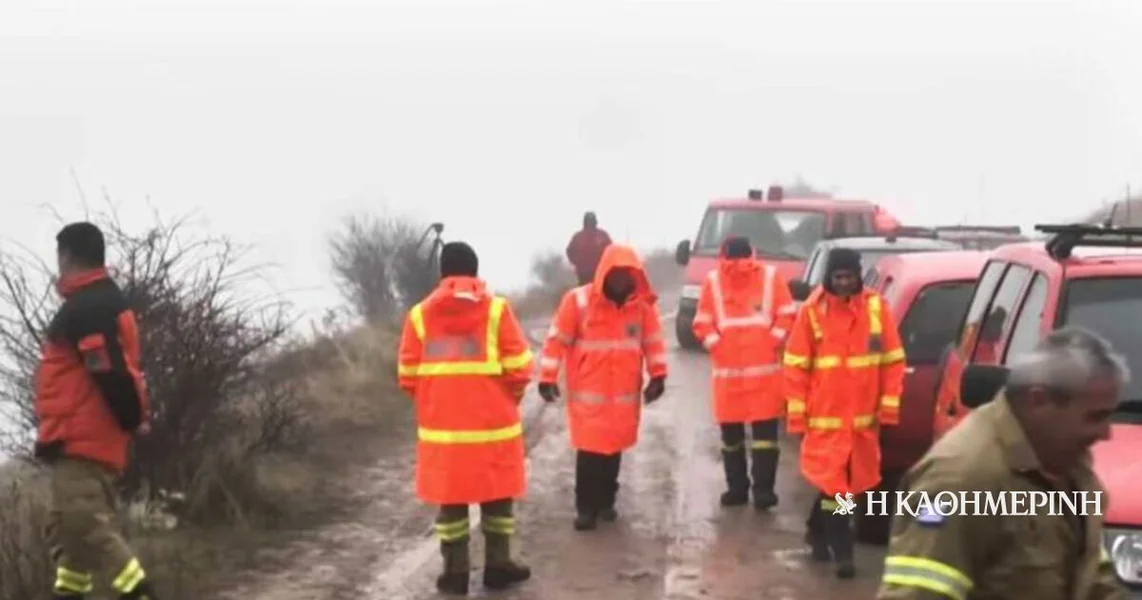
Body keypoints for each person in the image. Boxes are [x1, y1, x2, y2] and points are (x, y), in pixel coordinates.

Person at [877, 327, 1127, 599]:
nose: (1106, 433)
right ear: (1038, 401)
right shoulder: (960, 479)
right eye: (1095, 417)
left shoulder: (1069, 465)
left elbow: (1089, 573)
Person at [396, 241, 535, 595]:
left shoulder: (418, 316)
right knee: (498, 499)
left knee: (452, 505)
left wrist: (438, 403)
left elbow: (407, 376)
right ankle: (498, 564)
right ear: (475, 271)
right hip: (493, 430)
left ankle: (455, 573)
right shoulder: (497, 311)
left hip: (444, 434)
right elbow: (520, 369)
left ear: (442, 273)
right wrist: (507, 399)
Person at [34, 222, 157, 600]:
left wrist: (132, 417)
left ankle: (140, 592)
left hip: (82, 438)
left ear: (67, 256)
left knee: (88, 525)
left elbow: (107, 369)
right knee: (65, 528)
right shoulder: (94, 303)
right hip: (74, 437)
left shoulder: (89, 306)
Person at [782, 247, 906, 579]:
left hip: (863, 422)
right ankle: (842, 550)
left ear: (857, 275)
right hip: (825, 420)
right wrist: (796, 414)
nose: (843, 283)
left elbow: (893, 362)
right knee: (837, 488)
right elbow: (796, 367)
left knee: (842, 486)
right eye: (837, 277)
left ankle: (817, 530)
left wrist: (889, 408)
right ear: (829, 277)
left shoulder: (878, 309)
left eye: (848, 276)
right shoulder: (812, 312)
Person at [536, 244, 668, 530]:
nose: (622, 280)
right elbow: (557, 340)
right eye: (617, 274)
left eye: (627, 274)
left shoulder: (641, 307)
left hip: (623, 393)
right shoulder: (578, 302)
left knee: (614, 448)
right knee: (589, 451)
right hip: (589, 391)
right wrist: (547, 377)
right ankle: (586, 507)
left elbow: (653, 342)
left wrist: (658, 375)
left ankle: (607, 501)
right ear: (604, 273)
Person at [690, 236, 797, 510]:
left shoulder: (769, 277)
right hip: (737, 376)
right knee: (746, 439)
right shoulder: (715, 282)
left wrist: (768, 342)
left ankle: (748, 491)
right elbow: (702, 324)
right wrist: (720, 346)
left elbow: (787, 314)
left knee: (747, 439)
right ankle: (752, 491)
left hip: (755, 375)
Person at [565, 211, 613, 286]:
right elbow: (570, 251)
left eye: (591, 221)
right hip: (584, 273)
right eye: (589, 221)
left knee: (599, 292)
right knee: (585, 294)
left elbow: (611, 250)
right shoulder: (578, 237)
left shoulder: (602, 235)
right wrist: (578, 262)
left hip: (599, 271)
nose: (590, 223)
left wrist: (607, 264)